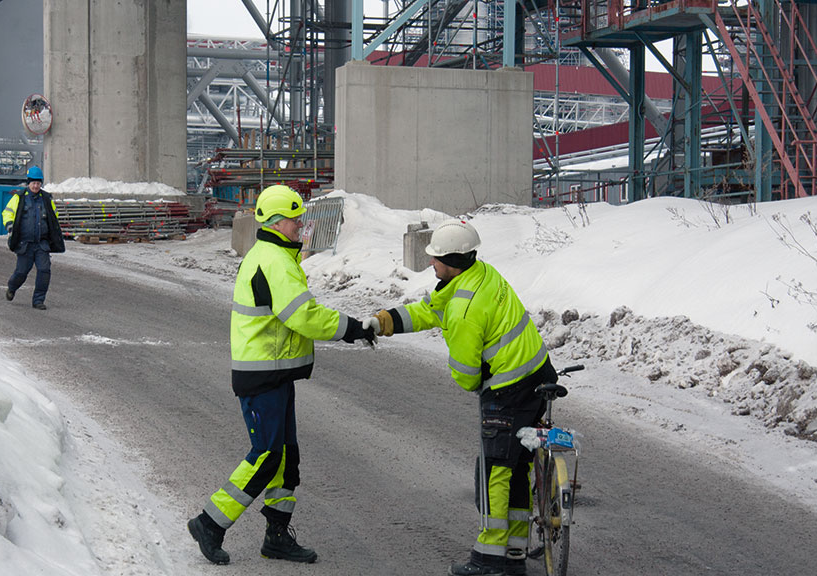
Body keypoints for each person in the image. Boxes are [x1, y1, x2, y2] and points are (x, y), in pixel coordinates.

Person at [188, 184, 376, 566]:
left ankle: (276, 536)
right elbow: (304, 316)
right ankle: (210, 523)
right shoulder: (273, 260)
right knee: (267, 456)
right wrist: (353, 328)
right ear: (276, 221)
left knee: (285, 458)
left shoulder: (274, 256)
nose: (300, 225)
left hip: (274, 374)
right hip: (261, 377)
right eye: (295, 219)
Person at [368, 219, 556, 576]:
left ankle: (488, 560)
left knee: (493, 471)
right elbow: (431, 310)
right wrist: (386, 321)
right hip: (538, 374)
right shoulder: (480, 274)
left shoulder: (465, 309)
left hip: (508, 388)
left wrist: (477, 384)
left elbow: (467, 374)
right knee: (517, 467)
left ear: (452, 261)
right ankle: (515, 554)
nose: (430, 264)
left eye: (435, 259)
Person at [2, 165, 65, 310]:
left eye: (38, 183)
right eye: (33, 183)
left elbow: (54, 217)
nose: (36, 186)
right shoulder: (19, 197)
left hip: (42, 244)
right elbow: (7, 213)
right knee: (21, 272)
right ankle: (12, 287)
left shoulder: (46, 199)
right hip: (24, 244)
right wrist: (10, 226)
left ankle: (38, 300)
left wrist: (54, 235)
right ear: (28, 183)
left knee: (44, 270)